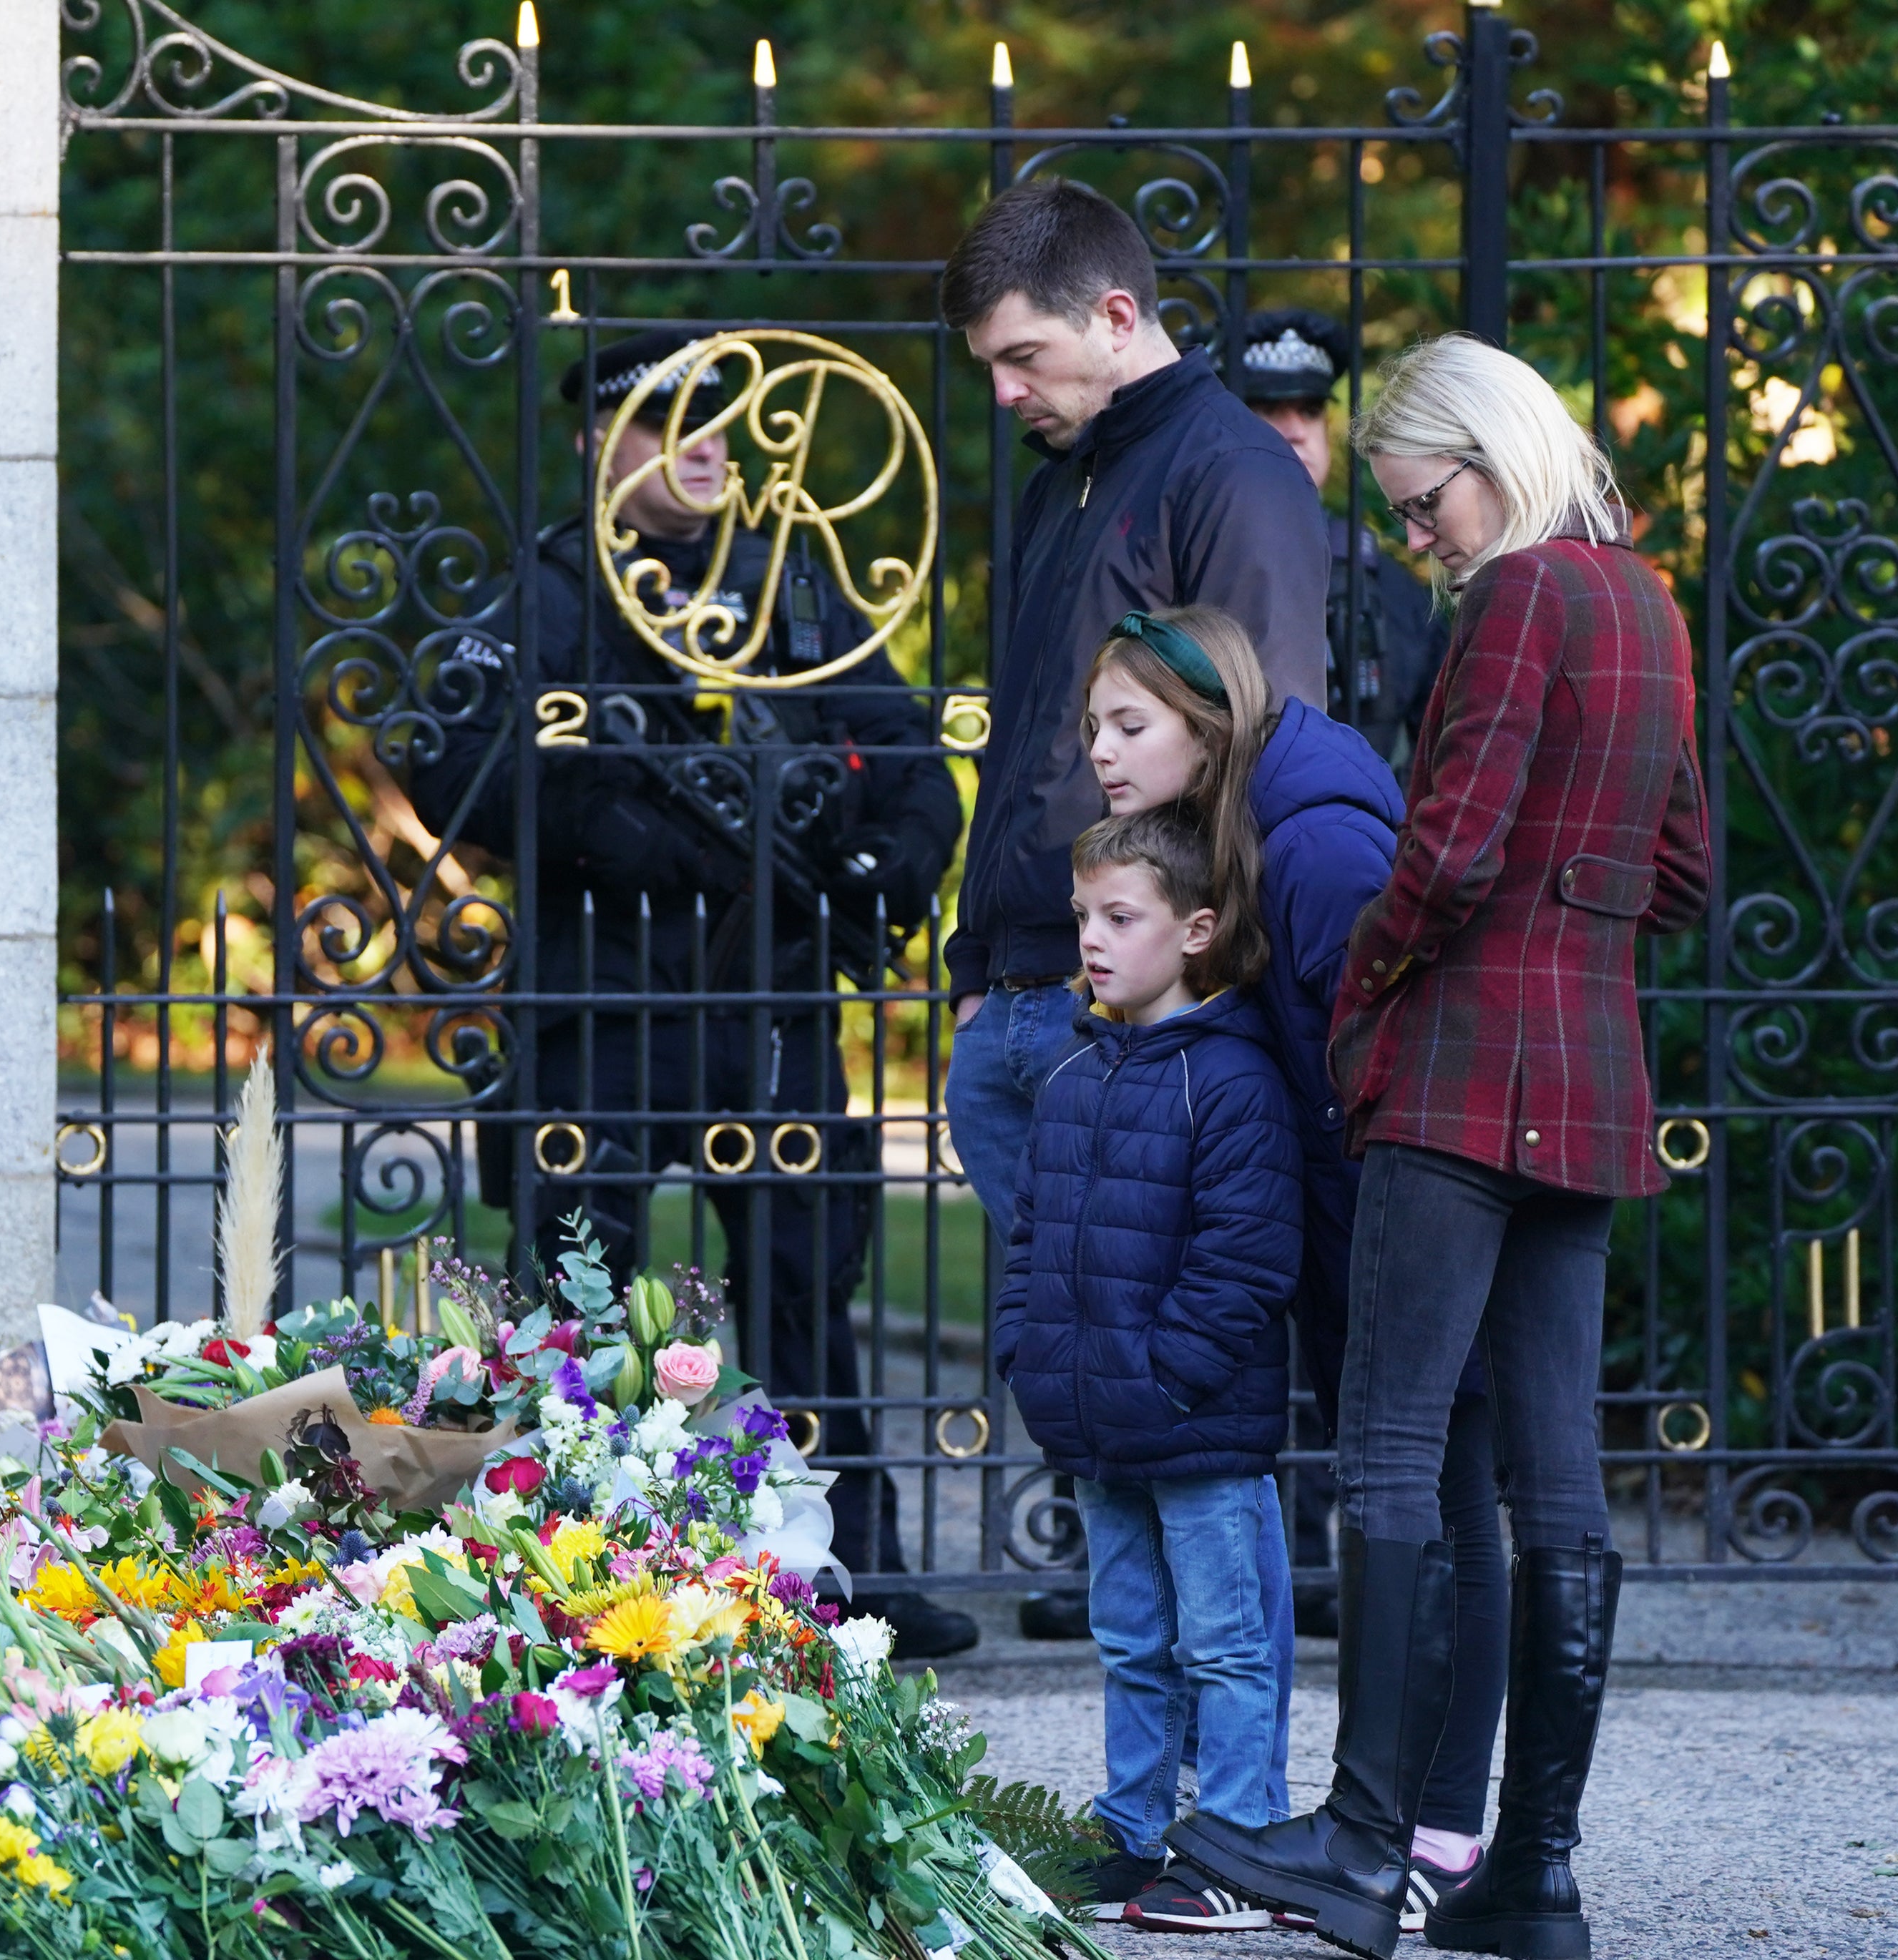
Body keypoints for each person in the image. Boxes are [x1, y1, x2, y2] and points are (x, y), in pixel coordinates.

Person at [1167, 335, 1710, 1960]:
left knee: (1390, 1447)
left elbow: (1450, 844)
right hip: (1590, 1074)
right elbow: (1678, 872)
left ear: (1487, 454)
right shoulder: (1643, 601)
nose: (1421, 542)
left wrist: (1369, 993)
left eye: (1421, 507)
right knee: (1559, 1487)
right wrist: (1569, 917)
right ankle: (1529, 1877)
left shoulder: (1515, 597)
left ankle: (1355, 1844)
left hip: (1461, 1071)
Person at [406, 325, 977, 1660]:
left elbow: (905, 751)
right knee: (583, 1289)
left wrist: (883, 872)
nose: (712, 443)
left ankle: (853, 1563)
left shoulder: (794, 584)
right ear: (605, 443)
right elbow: (448, 759)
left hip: (772, 998)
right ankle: (585, 1564)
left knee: (799, 1279)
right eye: (673, 422)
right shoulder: (551, 588)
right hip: (605, 999)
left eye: (725, 419)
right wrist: (626, 835)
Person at [1076, 603, 1507, 1936]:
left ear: (1208, 727)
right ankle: (1400, 1823)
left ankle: (1440, 1830)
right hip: (1352, 1217)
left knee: (1446, 1503)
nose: (1100, 750)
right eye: (1094, 723)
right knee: (1424, 1501)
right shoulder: (1245, 816)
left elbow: (1391, 1048)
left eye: (1129, 724)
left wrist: (1384, 1245)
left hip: (1403, 1213)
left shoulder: (1310, 843)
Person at [936, 179, 1332, 1250]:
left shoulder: (1233, 473)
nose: (1007, 392)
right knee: (1074, 1366)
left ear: (1116, 317)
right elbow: (1025, 743)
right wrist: (977, 981)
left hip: (1137, 1007)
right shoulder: (1061, 480)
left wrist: (1178, 991)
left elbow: (1267, 753)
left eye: (1024, 357)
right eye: (992, 368)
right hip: (1019, 997)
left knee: (1146, 1373)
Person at [992, 805, 1299, 1932]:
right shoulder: (1076, 1074)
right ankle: (1132, 1831)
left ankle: (1240, 1843)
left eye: (1121, 917)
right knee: (1130, 1640)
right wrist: (1029, 1361)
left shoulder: (1227, 1079)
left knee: (1226, 1645)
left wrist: (1165, 1377)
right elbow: (1030, 1242)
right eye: (1084, 917)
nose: (1093, 939)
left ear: (1199, 929)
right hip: (1097, 1426)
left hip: (1196, 1428)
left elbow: (1247, 1259)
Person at [1235, 310, 1453, 773]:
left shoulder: (1390, 586)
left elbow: (1438, 751)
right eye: (1269, 408)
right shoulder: (1195, 557)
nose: (1295, 430)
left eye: (1310, 410)